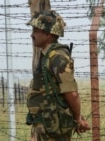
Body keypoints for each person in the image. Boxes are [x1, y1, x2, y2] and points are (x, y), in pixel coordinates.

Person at [26, 10, 90, 141]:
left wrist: (78, 118)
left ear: (48, 33)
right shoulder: (47, 55)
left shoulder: (58, 57)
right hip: (44, 124)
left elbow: (71, 92)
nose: (32, 35)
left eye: (36, 30)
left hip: (52, 128)